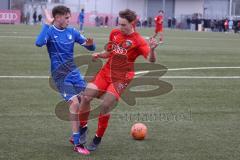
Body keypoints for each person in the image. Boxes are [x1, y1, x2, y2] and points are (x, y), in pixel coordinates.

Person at [78, 9, 159, 152]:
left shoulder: (139, 41)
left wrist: (152, 49)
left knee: (105, 105)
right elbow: (110, 51)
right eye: (119, 24)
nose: (120, 27)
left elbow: (151, 60)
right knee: (86, 97)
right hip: (105, 73)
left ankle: (97, 138)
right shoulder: (114, 33)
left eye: (123, 25)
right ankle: (83, 127)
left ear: (132, 23)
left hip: (122, 77)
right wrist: (99, 55)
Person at [35, 5, 96, 155]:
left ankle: (81, 129)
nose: (70, 20)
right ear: (57, 18)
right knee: (74, 103)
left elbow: (90, 47)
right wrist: (46, 23)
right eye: (67, 18)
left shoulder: (72, 32)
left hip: (74, 73)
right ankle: (77, 143)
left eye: (69, 17)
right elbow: (39, 42)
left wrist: (90, 44)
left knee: (86, 98)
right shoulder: (50, 31)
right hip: (60, 75)